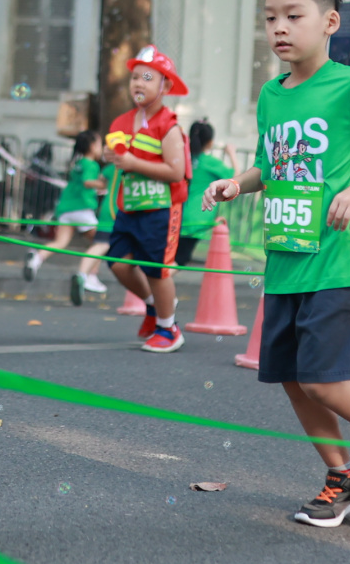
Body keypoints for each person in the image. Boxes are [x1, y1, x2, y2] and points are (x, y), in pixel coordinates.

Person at [203, 0, 350, 527]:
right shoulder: (271, 95)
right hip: (284, 261)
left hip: (335, 261)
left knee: (324, 379)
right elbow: (269, 165)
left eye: (293, 15)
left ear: (329, 22)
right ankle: (341, 474)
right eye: (270, 16)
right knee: (292, 378)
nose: (278, 27)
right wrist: (236, 184)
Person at [103, 47, 194, 351]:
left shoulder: (168, 126)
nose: (138, 84)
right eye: (134, 77)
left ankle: (169, 330)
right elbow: (115, 152)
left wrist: (132, 163)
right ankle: (155, 305)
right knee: (117, 262)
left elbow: (176, 171)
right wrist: (109, 155)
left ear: (165, 86)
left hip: (161, 210)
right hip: (130, 208)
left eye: (147, 78)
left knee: (157, 269)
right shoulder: (123, 121)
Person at [23, 128, 108, 302]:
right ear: (92, 146)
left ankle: (37, 258)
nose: (102, 148)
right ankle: (89, 275)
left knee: (60, 242)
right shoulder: (91, 164)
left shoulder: (78, 163)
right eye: (100, 144)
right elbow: (87, 182)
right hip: (82, 208)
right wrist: (103, 184)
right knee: (101, 242)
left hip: (65, 208)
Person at [173, 119, 236, 267]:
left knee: (173, 259)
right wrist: (232, 154)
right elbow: (236, 180)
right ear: (210, 142)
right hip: (197, 217)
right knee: (179, 261)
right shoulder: (210, 162)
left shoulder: (184, 159)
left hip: (178, 215)